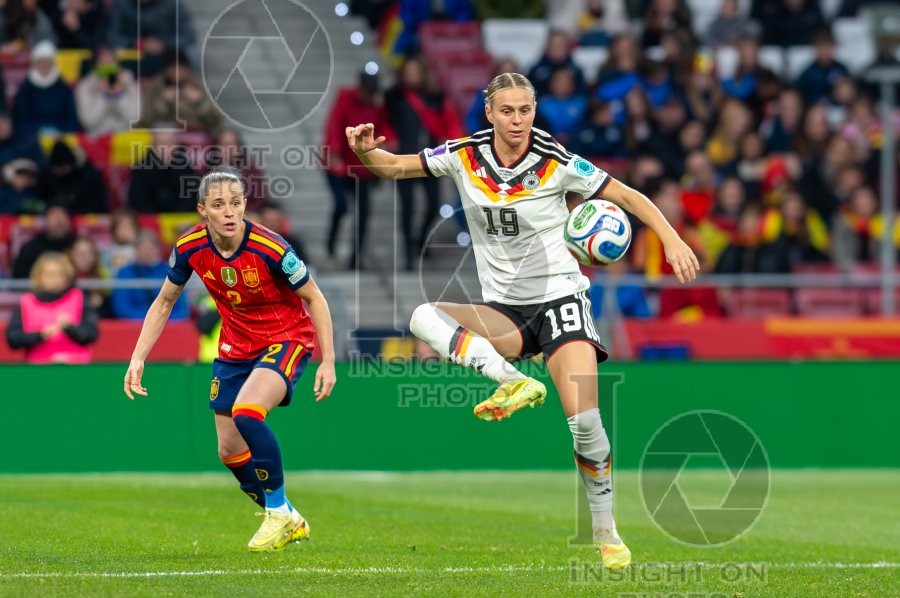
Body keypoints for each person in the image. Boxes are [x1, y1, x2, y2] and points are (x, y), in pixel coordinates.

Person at [346, 72, 699, 569]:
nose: (517, 120)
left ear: (534, 111)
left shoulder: (554, 159)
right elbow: (396, 166)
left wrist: (671, 238)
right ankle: (511, 380)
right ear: (489, 112)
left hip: (560, 301)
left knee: (586, 424)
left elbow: (626, 196)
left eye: (525, 110)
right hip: (505, 311)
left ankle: (606, 532)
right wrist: (365, 153)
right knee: (424, 316)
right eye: (508, 111)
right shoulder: (464, 154)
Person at [123, 167, 337, 552]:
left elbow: (315, 298)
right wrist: (138, 357)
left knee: (247, 412)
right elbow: (165, 301)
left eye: (235, 203)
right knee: (229, 450)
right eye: (219, 204)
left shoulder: (271, 248)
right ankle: (287, 516)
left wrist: (329, 360)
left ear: (244, 205)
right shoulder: (189, 246)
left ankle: (276, 512)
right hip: (236, 346)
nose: (229, 212)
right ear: (202, 210)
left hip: (286, 338)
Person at [5, 251, 99, 363]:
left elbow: (92, 334)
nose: (55, 279)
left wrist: (70, 328)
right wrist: (39, 335)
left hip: (76, 365)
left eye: (60, 274)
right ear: (39, 277)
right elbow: (13, 339)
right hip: (38, 366)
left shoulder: (80, 297)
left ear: (67, 277)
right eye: (50, 274)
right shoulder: (26, 302)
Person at [110, 229, 188, 320]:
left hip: (167, 323)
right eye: (143, 249)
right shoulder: (124, 273)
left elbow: (182, 309)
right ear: (135, 250)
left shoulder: (171, 271)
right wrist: (149, 319)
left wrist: (161, 319)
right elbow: (121, 308)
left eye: (151, 248)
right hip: (134, 324)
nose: (147, 253)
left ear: (158, 250)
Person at [12, 204, 76, 278]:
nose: (59, 222)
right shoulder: (30, 249)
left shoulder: (76, 246)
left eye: (63, 216)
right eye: (54, 217)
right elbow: (19, 280)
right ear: (45, 221)